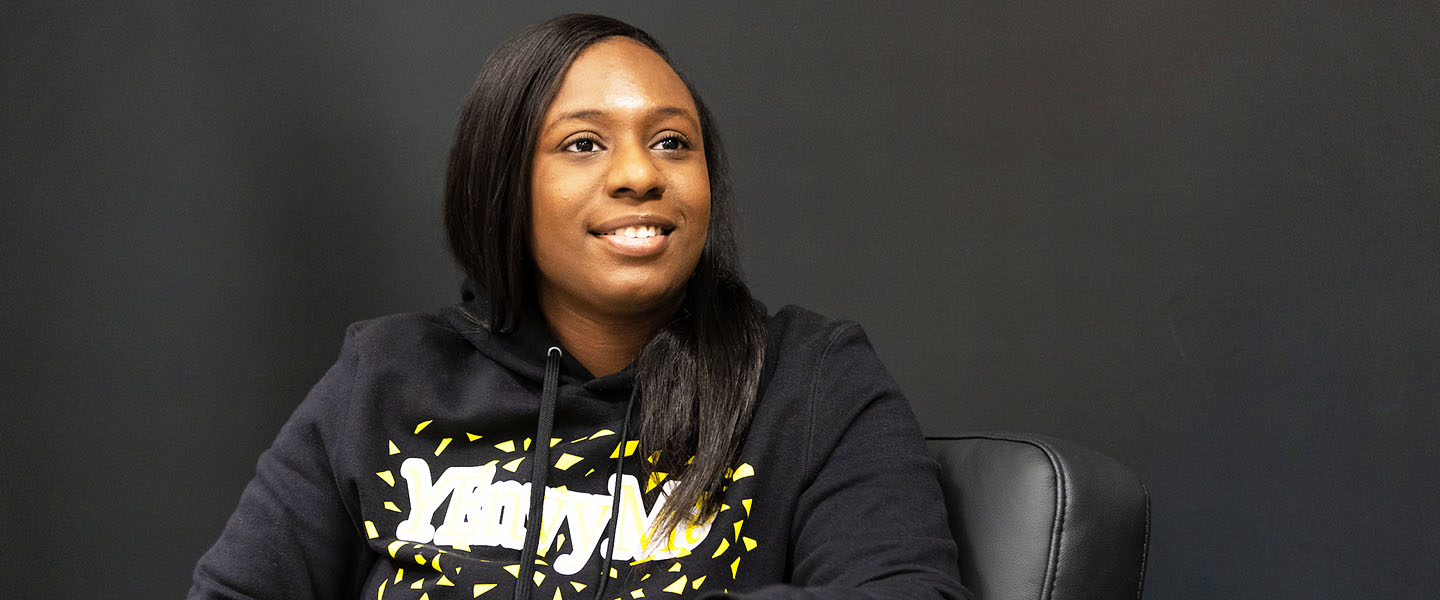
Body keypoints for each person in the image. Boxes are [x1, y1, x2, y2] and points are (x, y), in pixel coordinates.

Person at [188, 14, 969, 600]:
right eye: (583, 144)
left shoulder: (809, 381)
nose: (639, 174)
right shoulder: (387, 378)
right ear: (502, 187)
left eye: (672, 142)